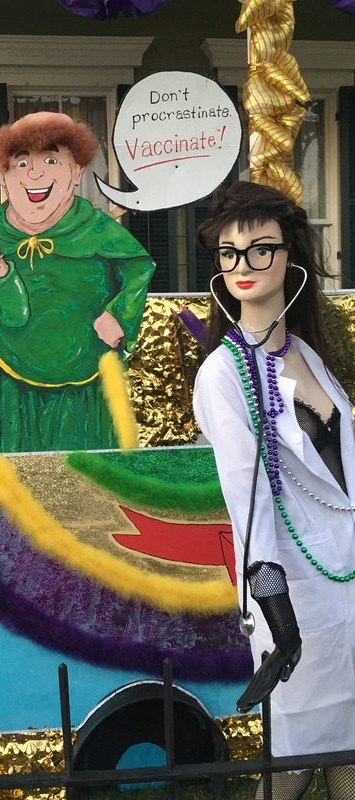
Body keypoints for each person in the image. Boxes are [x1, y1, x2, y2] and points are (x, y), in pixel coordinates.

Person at [192, 181, 355, 799]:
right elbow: (246, 498)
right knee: (292, 761)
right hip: (294, 593)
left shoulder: (310, 355)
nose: (243, 265)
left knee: (347, 749)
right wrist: (274, 606)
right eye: (229, 252)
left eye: (261, 248)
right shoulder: (222, 375)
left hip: (347, 580)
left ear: (291, 256)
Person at [0, 111, 155, 452]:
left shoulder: (96, 227)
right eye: (21, 162)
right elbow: (3, 316)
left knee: (92, 471)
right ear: (2, 174)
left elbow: (138, 268)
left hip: (90, 380)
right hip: (15, 385)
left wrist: (120, 314)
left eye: (51, 159)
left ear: (76, 171)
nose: (35, 173)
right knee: (25, 478)